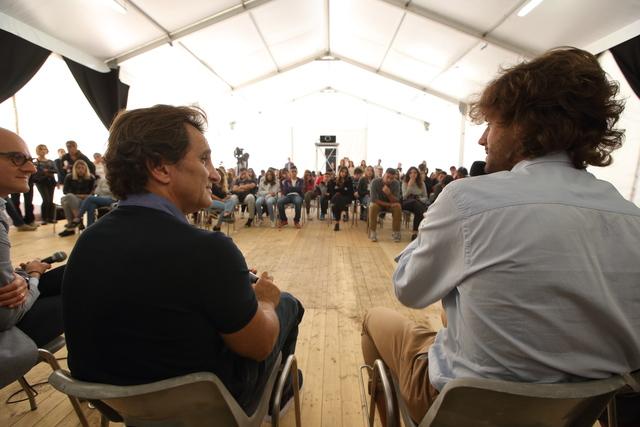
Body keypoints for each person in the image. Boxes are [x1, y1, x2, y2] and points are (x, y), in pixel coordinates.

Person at [361, 47, 640, 426]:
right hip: (574, 413)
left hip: (461, 409)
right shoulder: (631, 218)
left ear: (525, 125)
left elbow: (409, 290)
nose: (482, 140)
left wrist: (438, 230)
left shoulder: (467, 199)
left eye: (491, 124)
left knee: (376, 320)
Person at [62, 105, 305, 416]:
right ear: (160, 168)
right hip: (206, 407)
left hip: (112, 403)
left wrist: (228, 284)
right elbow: (258, 345)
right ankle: (276, 395)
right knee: (288, 303)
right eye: (204, 158)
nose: (215, 173)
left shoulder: (88, 240)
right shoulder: (210, 250)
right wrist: (266, 301)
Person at [0, 128, 64, 359]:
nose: (31, 168)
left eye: (30, 160)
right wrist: (33, 277)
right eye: (17, 159)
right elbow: (7, 315)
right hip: (6, 335)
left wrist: (19, 276)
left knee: (79, 272)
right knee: (86, 291)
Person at [58, 160, 95, 236]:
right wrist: (77, 196)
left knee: (65, 200)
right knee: (67, 199)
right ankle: (77, 220)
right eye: (78, 168)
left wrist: (77, 196)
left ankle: (71, 226)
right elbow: (65, 191)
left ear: (86, 168)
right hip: (72, 199)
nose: (80, 169)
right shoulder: (69, 177)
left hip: (85, 200)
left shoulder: (91, 177)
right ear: (75, 169)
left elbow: (92, 194)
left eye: (82, 168)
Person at [368, 168, 402, 243]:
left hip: (390, 205)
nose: (389, 180)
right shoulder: (375, 182)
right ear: (384, 175)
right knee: (372, 206)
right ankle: (373, 231)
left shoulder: (396, 183)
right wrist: (390, 204)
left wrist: (389, 194)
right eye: (388, 177)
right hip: (378, 204)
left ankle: (396, 232)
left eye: (392, 178)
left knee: (398, 207)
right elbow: (374, 199)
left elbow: (396, 200)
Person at [32, 144, 59, 224]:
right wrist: (46, 172)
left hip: (51, 182)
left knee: (50, 200)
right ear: (37, 151)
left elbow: (56, 170)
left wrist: (47, 171)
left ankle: (51, 218)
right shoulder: (35, 162)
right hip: (40, 182)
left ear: (47, 151)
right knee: (45, 199)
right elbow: (36, 173)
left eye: (44, 149)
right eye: (41, 149)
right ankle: (44, 218)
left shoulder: (51, 161)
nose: (43, 151)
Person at [401, 166, 428, 241]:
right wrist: (409, 186)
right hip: (407, 202)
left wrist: (419, 199)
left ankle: (415, 234)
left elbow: (426, 197)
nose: (413, 174)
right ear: (408, 174)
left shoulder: (422, 183)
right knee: (417, 205)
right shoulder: (405, 183)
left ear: (417, 174)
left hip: (418, 202)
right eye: (411, 173)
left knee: (417, 208)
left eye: (415, 172)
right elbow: (404, 197)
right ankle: (421, 231)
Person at [328, 166, 354, 231]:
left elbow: (350, 192)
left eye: (345, 172)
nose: (344, 173)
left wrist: (339, 190)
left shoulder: (349, 181)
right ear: (340, 172)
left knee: (337, 202)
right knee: (337, 198)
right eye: (342, 172)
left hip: (346, 198)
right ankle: (345, 212)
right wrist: (343, 189)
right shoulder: (334, 180)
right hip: (337, 198)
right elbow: (332, 191)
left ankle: (337, 222)